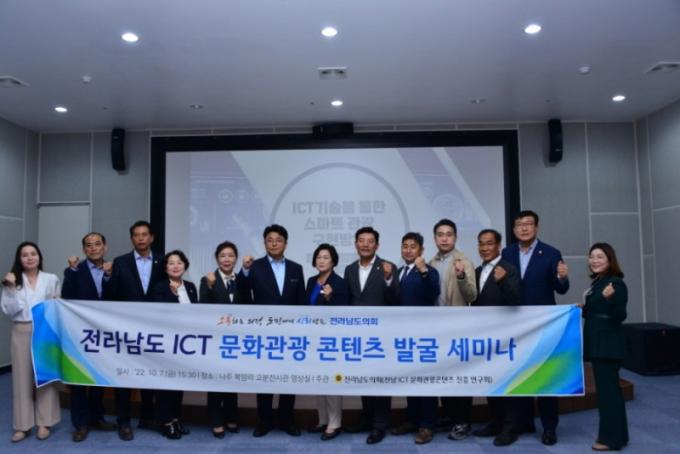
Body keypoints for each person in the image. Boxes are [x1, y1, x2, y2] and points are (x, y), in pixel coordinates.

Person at [501, 210, 569, 445]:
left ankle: (549, 428)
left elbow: (561, 289)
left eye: (528, 224)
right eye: (519, 224)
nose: (524, 228)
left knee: (545, 377)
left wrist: (562, 277)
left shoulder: (551, 253)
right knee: (519, 374)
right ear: (514, 229)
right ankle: (524, 421)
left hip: (543, 324)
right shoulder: (507, 253)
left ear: (536, 227)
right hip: (516, 324)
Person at [239, 224, 305, 437]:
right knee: (264, 378)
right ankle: (264, 420)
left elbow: (301, 302)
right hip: (263, 332)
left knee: (289, 378)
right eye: (270, 240)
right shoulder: (254, 267)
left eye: (279, 240)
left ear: (286, 243)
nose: (274, 243)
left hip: (290, 333)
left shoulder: (296, 268)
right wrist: (244, 271)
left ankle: (286, 420)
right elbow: (242, 294)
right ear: (264, 243)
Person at [103, 220, 166, 441]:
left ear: (152, 238)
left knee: (150, 374)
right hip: (127, 329)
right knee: (125, 376)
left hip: (154, 329)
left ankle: (147, 417)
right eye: (136, 235)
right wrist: (108, 276)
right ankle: (123, 421)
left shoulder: (163, 261)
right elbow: (111, 295)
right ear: (132, 239)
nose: (140, 238)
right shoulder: (120, 262)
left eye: (144, 234)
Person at [343, 226, 399, 444]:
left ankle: (379, 425)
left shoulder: (388, 267)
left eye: (370, 241)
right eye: (361, 240)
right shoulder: (349, 269)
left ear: (377, 245)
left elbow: (396, 300)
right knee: (364, 378)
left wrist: (388, 278)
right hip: (358, 336)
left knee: (381, 380)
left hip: (380, 336)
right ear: (356, 244)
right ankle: (366, 419)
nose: (365, 244)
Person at [1, 242, 61, 442]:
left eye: (33, 253)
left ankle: (45, 422)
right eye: (24, 255)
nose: (29, 257)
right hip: (21, 329)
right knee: (21, 378)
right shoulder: (12, 281)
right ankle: (22, 425)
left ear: (39, 256)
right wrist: (11, 288)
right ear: (19, 259)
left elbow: (56, 305)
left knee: (45, 376)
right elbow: (10, 310)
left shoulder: (51, 279)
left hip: (45, 330)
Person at [62, 232, 117, 442]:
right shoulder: (75, 270)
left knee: (98, 378)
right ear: (84, 249)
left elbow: (116, 298)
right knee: (79, 380)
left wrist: (109, 276)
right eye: (89, 245)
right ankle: (81, 424)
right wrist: (72, 271)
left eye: (97, 244)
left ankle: (97, 418)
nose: (93, 248)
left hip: (104, 334)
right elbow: (67, 297)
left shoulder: (113, 269)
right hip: (80, 333)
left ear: (105, 247)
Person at [428, 218, 477, 440]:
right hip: (436, 328)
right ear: (435, 238)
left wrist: (461, 277)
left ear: (455, 237)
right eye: (440, 234)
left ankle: (463, 421)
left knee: (460, 376)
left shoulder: (463, 262)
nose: (444, 238)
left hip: (457, 327)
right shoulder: (430, 263)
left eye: (449, 234)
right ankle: (449, 416)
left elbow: (472, 295)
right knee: (442, 375)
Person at [471, 229, 521, 447]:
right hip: (484, 335)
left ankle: (510, 429)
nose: (485, 248)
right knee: (490, 380)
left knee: (506, 382)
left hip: (504, 336)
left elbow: (516, 299)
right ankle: (495, 422)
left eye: (489, 243)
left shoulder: (508, 269)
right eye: (481, 244)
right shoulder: (477, 270)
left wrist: (502, 281)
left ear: (498, 246)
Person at [390, 232, 440, 445]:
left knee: (425, 381)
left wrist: (423, 271)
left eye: (413, 246)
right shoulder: (399, 271)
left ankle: (427, 425)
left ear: (421, 250)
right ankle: (412, 420)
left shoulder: (429, 271)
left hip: (424, 334)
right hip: (404, 335)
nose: (408, 250)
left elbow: (433, 292)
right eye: (405, 246)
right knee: (409, 379)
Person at [582, 243, 629, 451]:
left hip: (607, 346)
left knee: (608, 394)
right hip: (599, 344)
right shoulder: (599, 282)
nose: (595, 260)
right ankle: (620, 436)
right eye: (592, 257)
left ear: (610, 260)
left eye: (600, 257)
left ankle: (610, 439)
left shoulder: (616, 284)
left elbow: (620, 315)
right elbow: (595, 310)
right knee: (610, 392)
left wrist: (611, 299)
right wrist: (583, 308)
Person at [199, 241, 248, 438]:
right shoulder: (207, 279)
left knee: (231, 379)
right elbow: (202, 307)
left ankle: (231, 416)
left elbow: (249, 306)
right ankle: (216, 420)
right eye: (222, 256)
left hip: (235, 339)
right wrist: (210, 286)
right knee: (215, 382)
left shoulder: (241, 280)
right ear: (216, 258)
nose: (226, 259)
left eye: (230, 255)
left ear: (236, 259)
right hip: (215, 339)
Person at [149, 250, 197, 440]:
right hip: (166, 343)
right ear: (165, 268)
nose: (176, 266)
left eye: (179, 262)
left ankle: (175, 418)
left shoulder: (191, 287)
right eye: (171, 263)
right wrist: (173, 294)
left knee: (179, 384)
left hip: (185, 344)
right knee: (165, 386)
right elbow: (160, 315)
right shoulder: (160, 287)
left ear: (185, 265)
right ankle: (165, 422)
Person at [305, 243, 349, 441]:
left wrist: (330, 298)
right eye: (318, 257)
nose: (321, 261)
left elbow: (344, 311)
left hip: (332, 340)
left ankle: (335, 423)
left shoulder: (339, 282)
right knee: (318, 380)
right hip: (313, 338)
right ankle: (322, 420)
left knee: (332, 381)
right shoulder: (311, 281)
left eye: (326, 257)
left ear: (333, 261)